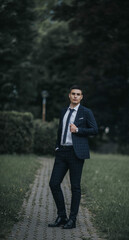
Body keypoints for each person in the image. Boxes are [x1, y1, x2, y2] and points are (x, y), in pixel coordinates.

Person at [48, 85, 98, 229]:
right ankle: (62, 216)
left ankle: (72, 220)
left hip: (76, 154)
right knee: (53, 183)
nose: (76, 96)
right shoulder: (63, 111)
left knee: (75, 187)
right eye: (73, 94)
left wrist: (78, 130)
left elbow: (94, 130)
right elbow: (60, 130)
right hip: (62, 152)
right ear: (69, 95)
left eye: (78, 94)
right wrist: (57, 146)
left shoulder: (86, 112)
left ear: (81, 97)